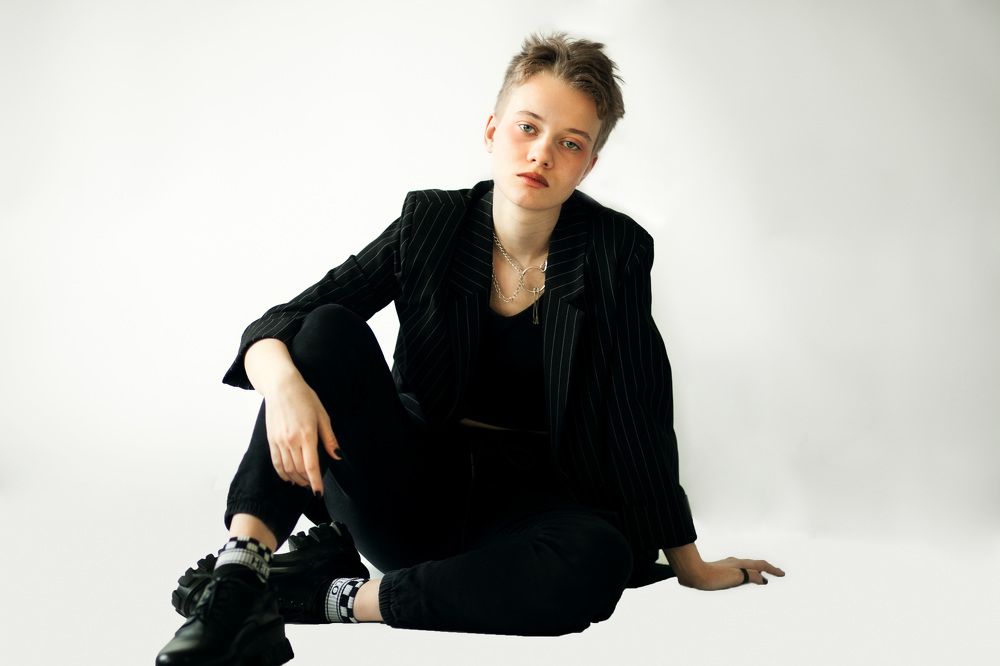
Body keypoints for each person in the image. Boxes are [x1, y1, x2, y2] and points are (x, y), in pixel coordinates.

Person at [155, 32, 785, 666]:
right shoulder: (431, 223)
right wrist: (284, 386)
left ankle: (325, 597)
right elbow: (285, 321)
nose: (541, 153)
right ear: (492, 130)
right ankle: (237, 583)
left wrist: (689, 565)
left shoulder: (614, 251)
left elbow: (638, 415)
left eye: (570, 143)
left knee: (600, 561)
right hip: (405, 490)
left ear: (589, 165)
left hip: (530, 506)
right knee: (322, 331)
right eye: (527, 127)